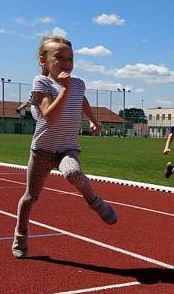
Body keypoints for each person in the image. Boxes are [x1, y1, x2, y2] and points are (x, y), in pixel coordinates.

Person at [12, 36, 117, 258]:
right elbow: (50, 116)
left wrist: (92, 120)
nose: (66, 62)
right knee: (31, 196)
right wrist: (64, 89)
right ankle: (21, 235)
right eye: (59, 57)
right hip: (42, 151)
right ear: (44, 61)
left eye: (70, 58)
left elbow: (82, 99)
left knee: (72, 172)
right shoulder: (41, 83)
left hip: (67, 148)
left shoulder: (77, 84)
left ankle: (95, 202)